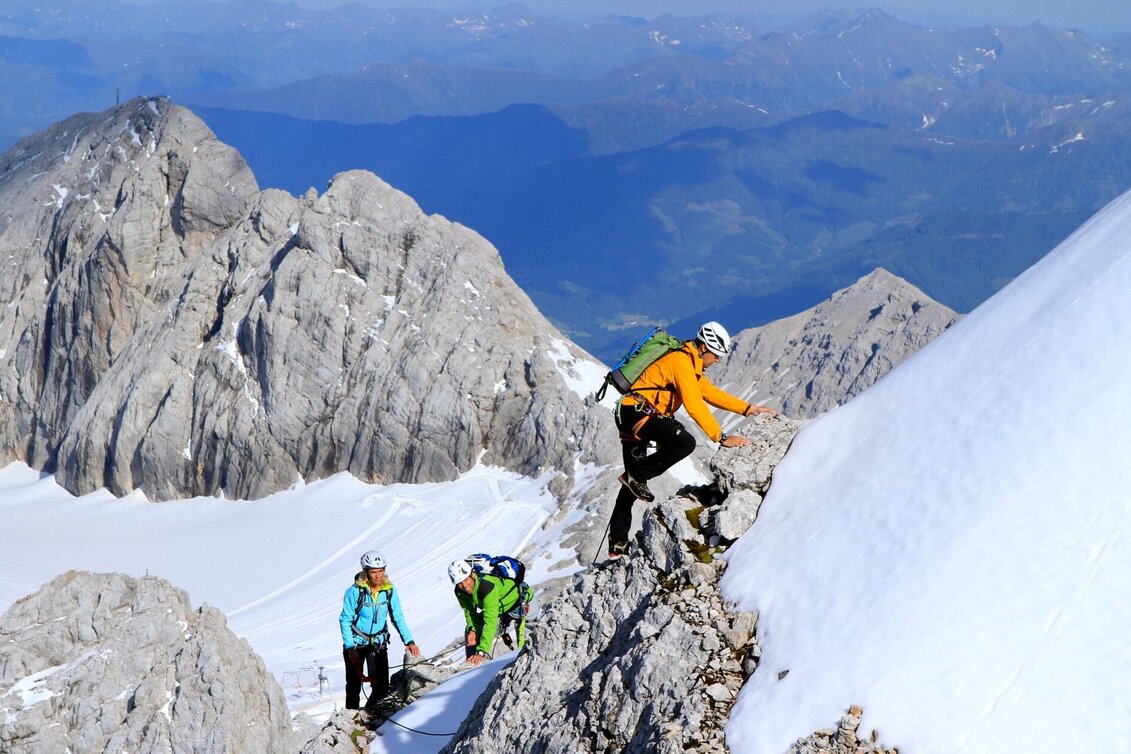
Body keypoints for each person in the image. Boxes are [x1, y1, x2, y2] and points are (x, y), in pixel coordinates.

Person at [607, 320, 775, 558]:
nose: (717, 360)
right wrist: (720, 437)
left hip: (633, 414)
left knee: (632, 483)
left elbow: (710, 393)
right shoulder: (681, 362)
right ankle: (635, 477)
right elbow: (694, 404)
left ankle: (617, 542)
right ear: (704, 347)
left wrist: (748, 409)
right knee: (685, 442)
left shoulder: (690, 365)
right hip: (638, 414)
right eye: (716, 355)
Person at [339, 550, 421, 710]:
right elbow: (345, 619)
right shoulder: (355, 591)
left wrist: (409, 641)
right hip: (355, 644)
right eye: (373, 572)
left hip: (378, 644)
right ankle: (352, 718)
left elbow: (397, 617)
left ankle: (372, 717)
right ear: (366, 572)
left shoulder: (389, 590)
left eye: (381, 571)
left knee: (382, 686)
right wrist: (349, 648)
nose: (378, 575)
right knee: (353, 686)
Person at [448, 559, 530, 666]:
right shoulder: (459, 592)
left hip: (519, 602)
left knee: (524, 646)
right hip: (499, 608)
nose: (464, 586)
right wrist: (473, 630)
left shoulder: (487, 586)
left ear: (472, 574)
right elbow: (469, 613)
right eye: (459, 583)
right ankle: (472, 664)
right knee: (470, 630)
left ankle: (480, 657)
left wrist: (482, 651)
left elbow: (489, 621)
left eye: (465, 579)